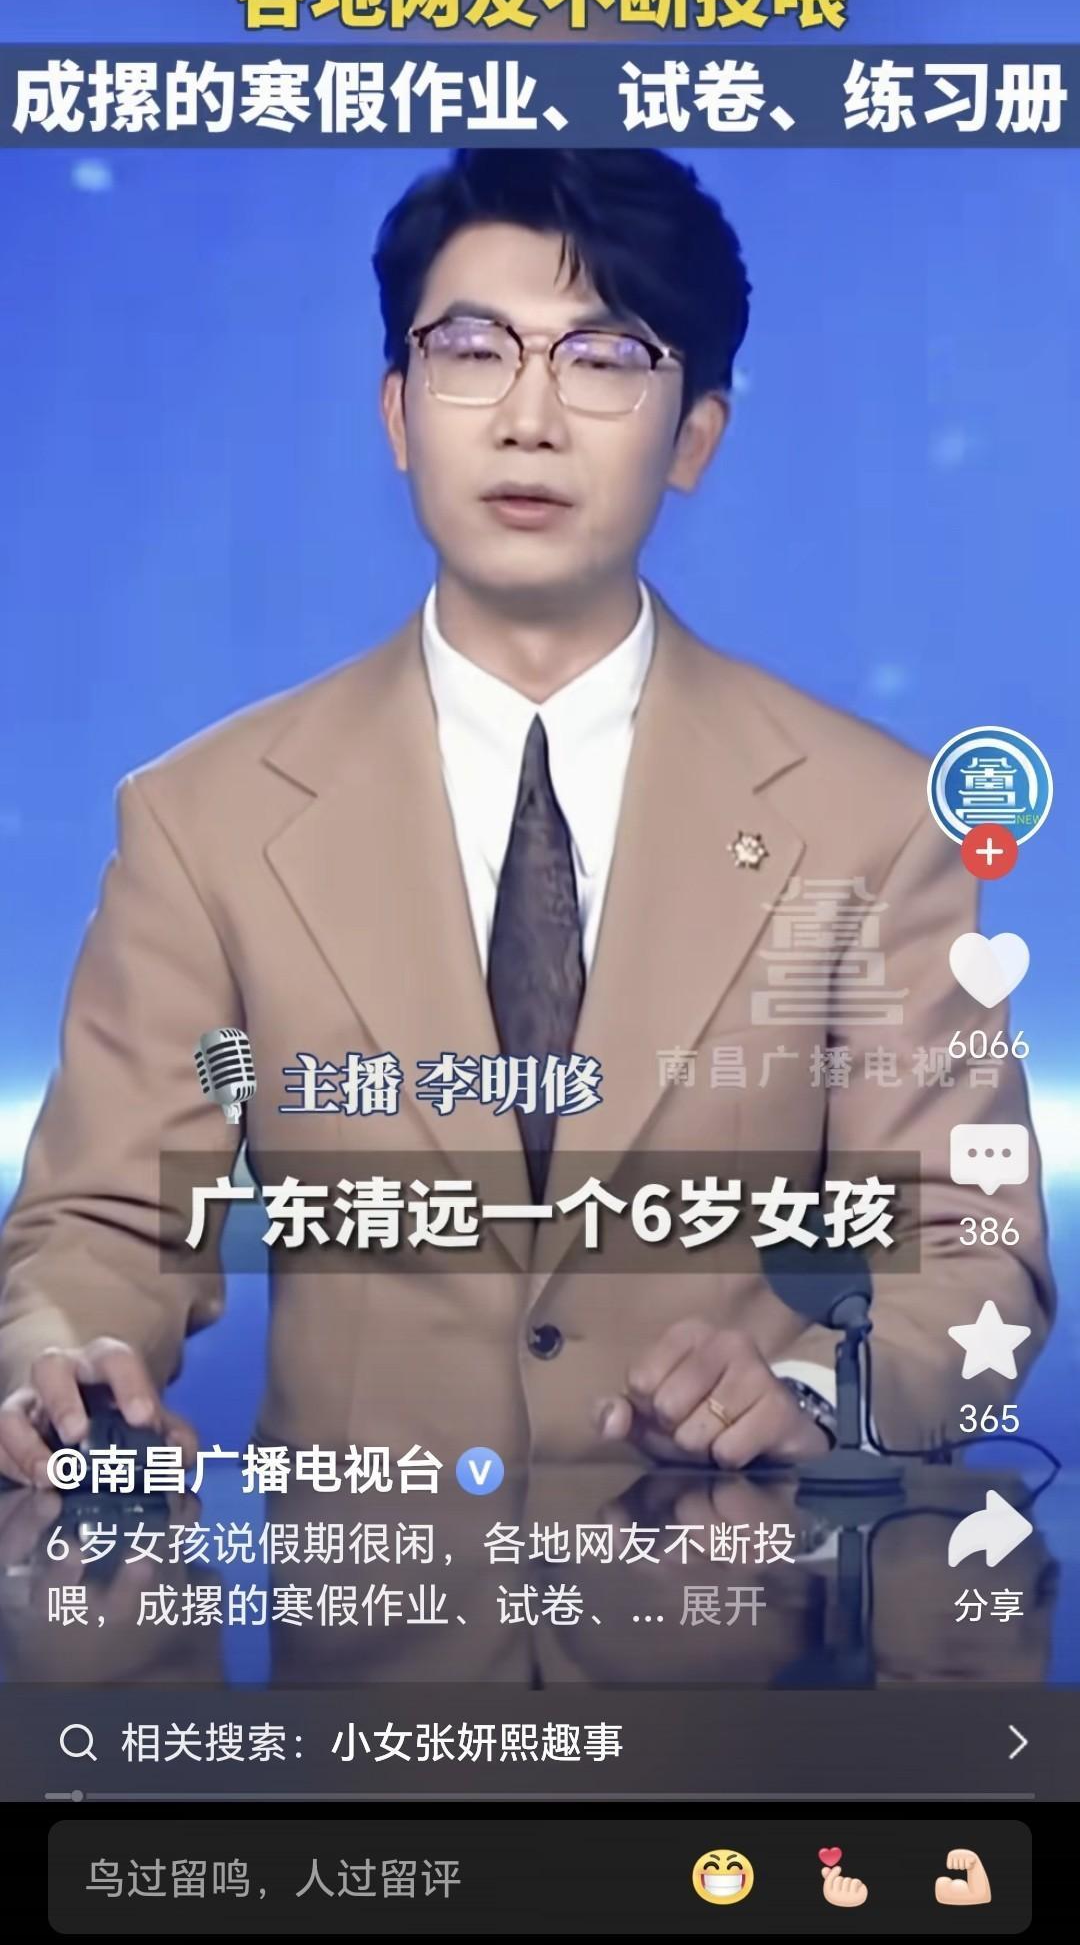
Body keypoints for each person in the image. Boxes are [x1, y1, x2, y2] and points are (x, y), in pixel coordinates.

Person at [0, 149, 1053, 1483]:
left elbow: (971, 1247)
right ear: (398, 412)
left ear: (696, 436)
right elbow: (103, 1221)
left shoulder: (874, 822)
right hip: (375, 1584)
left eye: (603, 358)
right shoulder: (203, 820)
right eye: (473, 350)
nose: (530, 419)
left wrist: (815, 1390)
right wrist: (62, 1358)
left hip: (732, 1587)